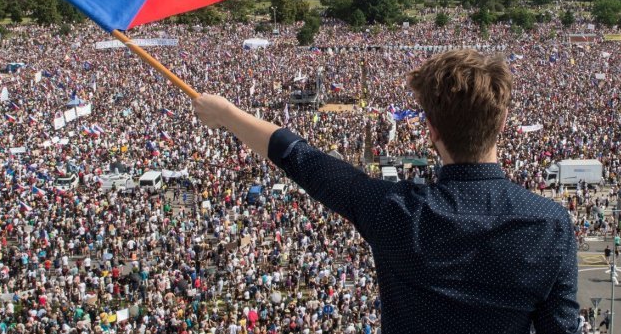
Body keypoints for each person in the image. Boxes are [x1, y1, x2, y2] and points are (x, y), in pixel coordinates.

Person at [192, 49, 580, 334]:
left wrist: (226, 114)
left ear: (431, 129)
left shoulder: (396, 211)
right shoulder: (550, 225)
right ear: (502, 123)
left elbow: (301, 158)